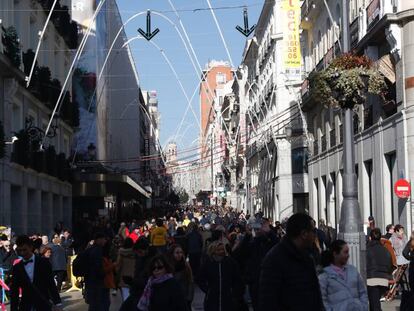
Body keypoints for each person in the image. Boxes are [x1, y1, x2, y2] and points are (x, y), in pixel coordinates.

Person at [258, 213, 324, 311]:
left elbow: (314, 294)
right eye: (313, 231)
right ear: (304, 234)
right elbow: (268, 301)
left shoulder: (307, 257)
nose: (315, 235)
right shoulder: (275, 259)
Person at [10, 235, 62, 311]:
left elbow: (51, 284)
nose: (22, 253)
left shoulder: (43, 262)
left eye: (25, 250)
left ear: (31, 247)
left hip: (43, 304)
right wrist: (13, 308)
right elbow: (14, 290)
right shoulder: (17, 267)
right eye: (20, 250)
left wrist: (58, 303)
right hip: (26, 305)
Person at [319, 240, 368, 311]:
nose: (348, 255)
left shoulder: (353, 270)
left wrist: (364, 307)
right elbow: (322, 299)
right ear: (335, 254)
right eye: (345, 252)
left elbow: (362, 292)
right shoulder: (325, 276)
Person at [198, 240, 243, 311]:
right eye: (218, 250)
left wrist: (235, 293)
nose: (221, 251)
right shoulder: (208, 263)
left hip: (228, 298)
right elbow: (200, 278)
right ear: (213, 251)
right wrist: (208, 290)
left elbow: (237, 279)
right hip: (212, 298)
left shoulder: (230, 262)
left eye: (222, 249)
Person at [366, 228, 394, 311]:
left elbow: (364, 264)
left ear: (370, 238)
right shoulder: (386, 250)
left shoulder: (367, 250)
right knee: (374, 302)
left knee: (374, 304)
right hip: (384, 279)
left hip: (371, 279)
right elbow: (390, 264)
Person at [84, 232, 107, 311]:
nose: (105, 241)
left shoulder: (90, 249)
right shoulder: (97, 250)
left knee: (94, 305)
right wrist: (103, 273)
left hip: (90, 281)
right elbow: (97, 267)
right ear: (99, 240)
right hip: (96, 282)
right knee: (99, 304)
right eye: (104, 239)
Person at [169, 244, 194, 310]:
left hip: (184, 297)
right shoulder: (169, 267)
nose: (179, 255)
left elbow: (190, 281)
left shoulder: (186, 265)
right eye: (177, 253)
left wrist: (189, 298)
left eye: (181, 252)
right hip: (172, 299)